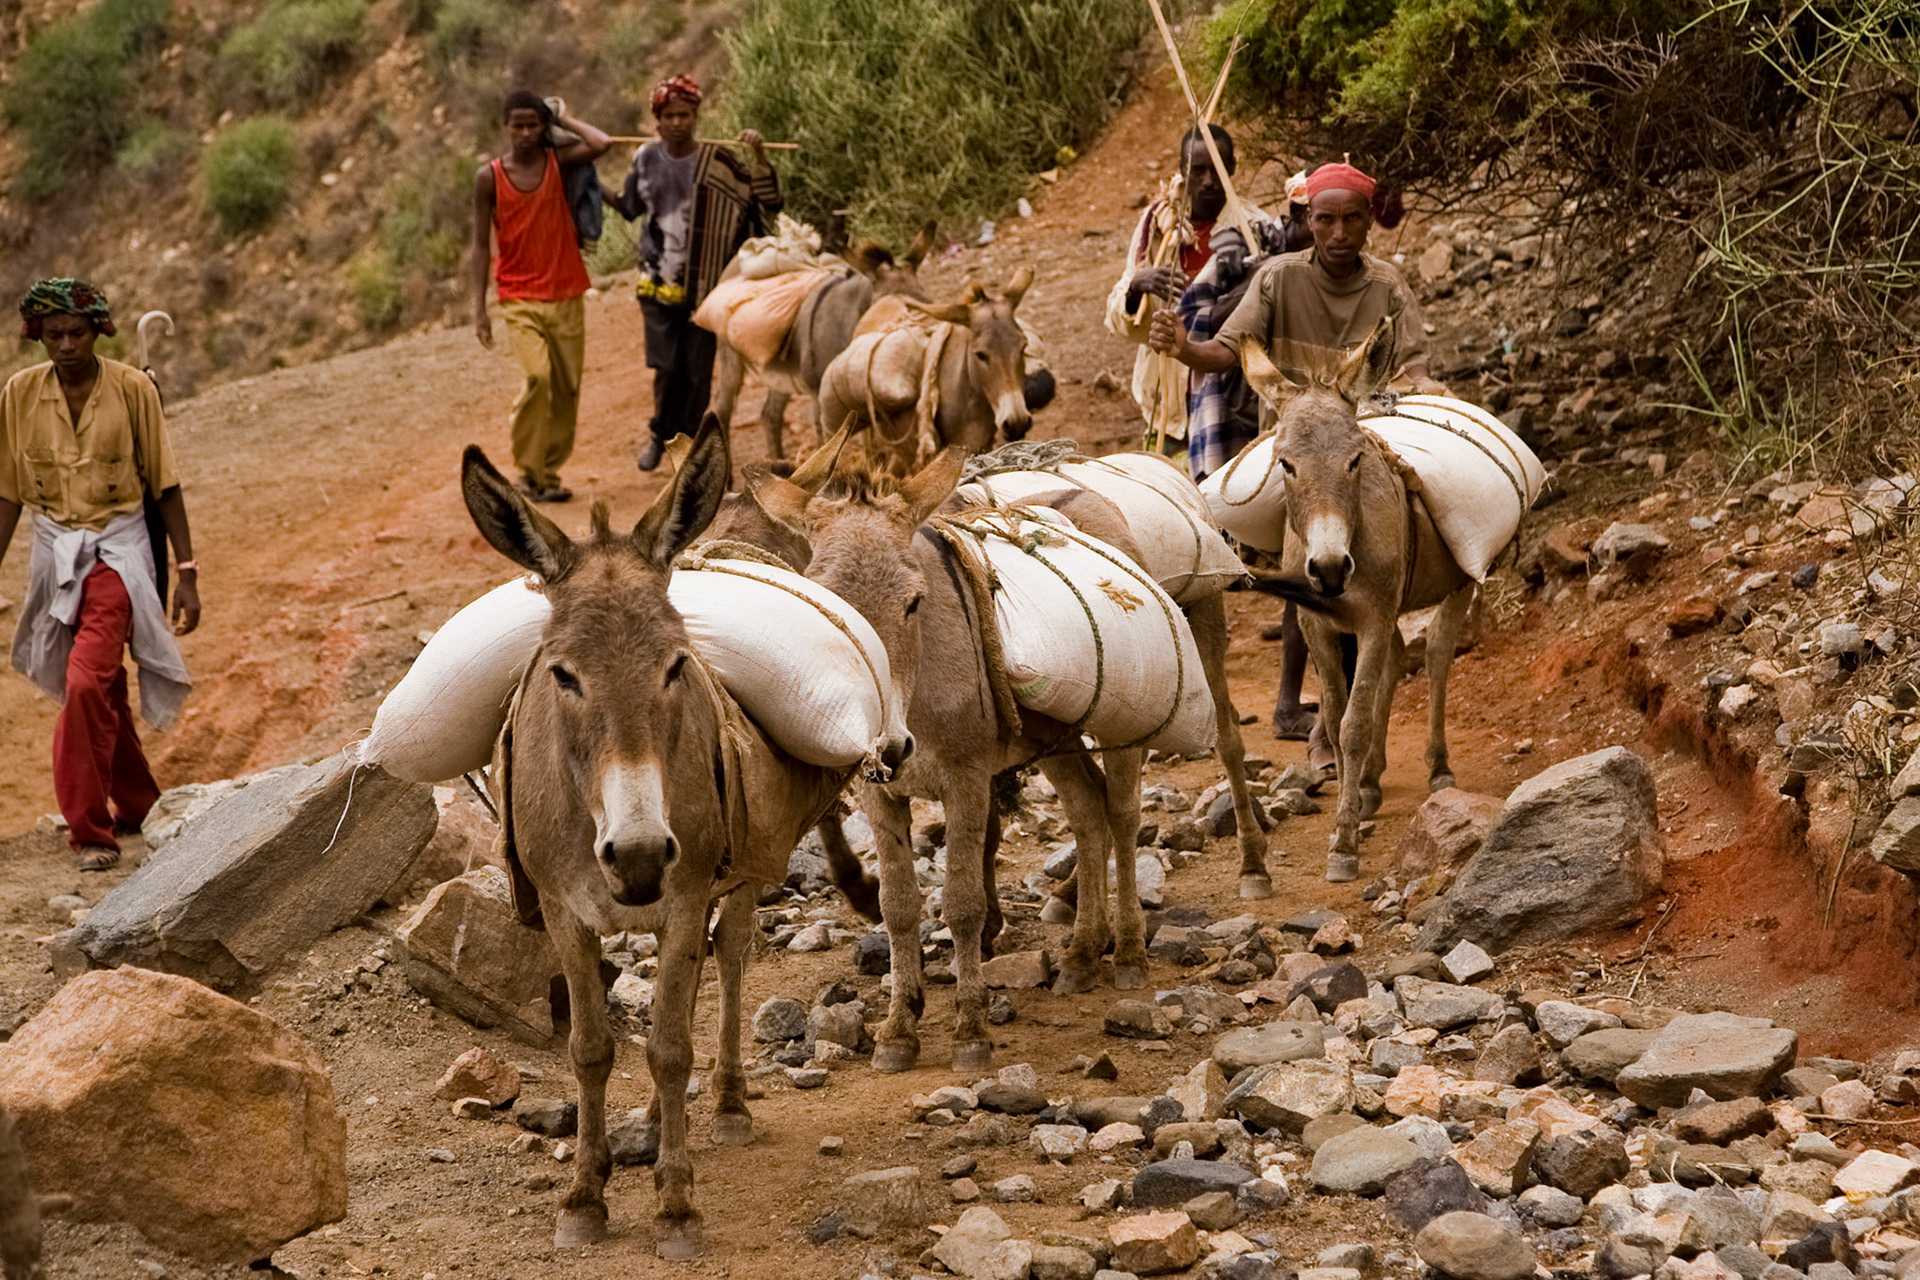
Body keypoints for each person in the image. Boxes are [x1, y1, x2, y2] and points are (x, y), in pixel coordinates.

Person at [1150, 160, 1443, 768]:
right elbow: (1226, 353)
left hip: (1366, 435)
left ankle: (1340, 726)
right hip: (1297, 448)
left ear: (1369, 224)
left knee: (1391, 549)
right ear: (1308, 221)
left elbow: (1412, 366)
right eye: (1326, 220)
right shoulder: (1277, 280)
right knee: (1296, 579)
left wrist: (1427, 387)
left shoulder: (1388, 285)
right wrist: (1182, 347)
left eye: (1351, 221)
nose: (1338, 233)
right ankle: (1315, 718)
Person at [0, 279, 197, 872]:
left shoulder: (133, 390)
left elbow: (164, 484)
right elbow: (9, 493)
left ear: (98, 332)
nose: (65, 345)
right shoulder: (19, 394)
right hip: (56, 554)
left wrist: (186, 571)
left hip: (118, 552)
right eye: (53, 335)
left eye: (76, 333)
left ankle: (89, 830)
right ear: (38, 337)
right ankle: (139, 803)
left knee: (84, 684)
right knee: (104, 686)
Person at [603, 74, 782, 471]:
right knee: (668, 368)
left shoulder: (720, 162)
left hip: (705, 286)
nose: (677, 123)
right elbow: (630, 207)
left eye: (684, 115)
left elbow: (765, 205)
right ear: (658, 119)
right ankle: (660, 437)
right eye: (669, 115)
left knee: (699, 374)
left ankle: (688, 447)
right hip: (657, 281)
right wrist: (587, 181)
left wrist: (760, 159)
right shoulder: (645, 158)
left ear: (695, 116)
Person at [1104, 124, 1280, 469]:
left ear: (1232, 168)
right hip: (1167, 409)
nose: (1208, 181)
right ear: (1182, 171)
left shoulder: (1256, 230)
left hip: (1229, 406)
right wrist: (1138, 285)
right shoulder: (1158, 227)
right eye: (1197, 170)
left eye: (1216, 169)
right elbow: (1119, 320)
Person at [471, 90, 611, 504]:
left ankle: (547, 475)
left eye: (533, 125)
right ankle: (527, 470)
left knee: (567, 388)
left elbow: (600, 144)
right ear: (505, 127)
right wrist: (479, 307)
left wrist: (563, 120)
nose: (526, 133)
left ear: (542, 127)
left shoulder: (557, 162)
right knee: (538, 377)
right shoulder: (489, 177)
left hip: (566, 290)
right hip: (518, 294)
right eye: (518, 126)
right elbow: (480, 245)